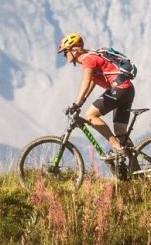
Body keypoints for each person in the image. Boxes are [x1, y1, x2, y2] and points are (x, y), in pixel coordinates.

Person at [57, 33, 137, 166]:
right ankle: (136, 171)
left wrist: (76, 103)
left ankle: (117, 148)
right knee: (120, 132)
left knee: (90, 115)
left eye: (66, 52)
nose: (65, 56)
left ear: (75, 50)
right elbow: (93, 81)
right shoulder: (92, 56)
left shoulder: (88, 60)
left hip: (120, 89)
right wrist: (83, 100)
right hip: (127, 89)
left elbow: (86, 82)